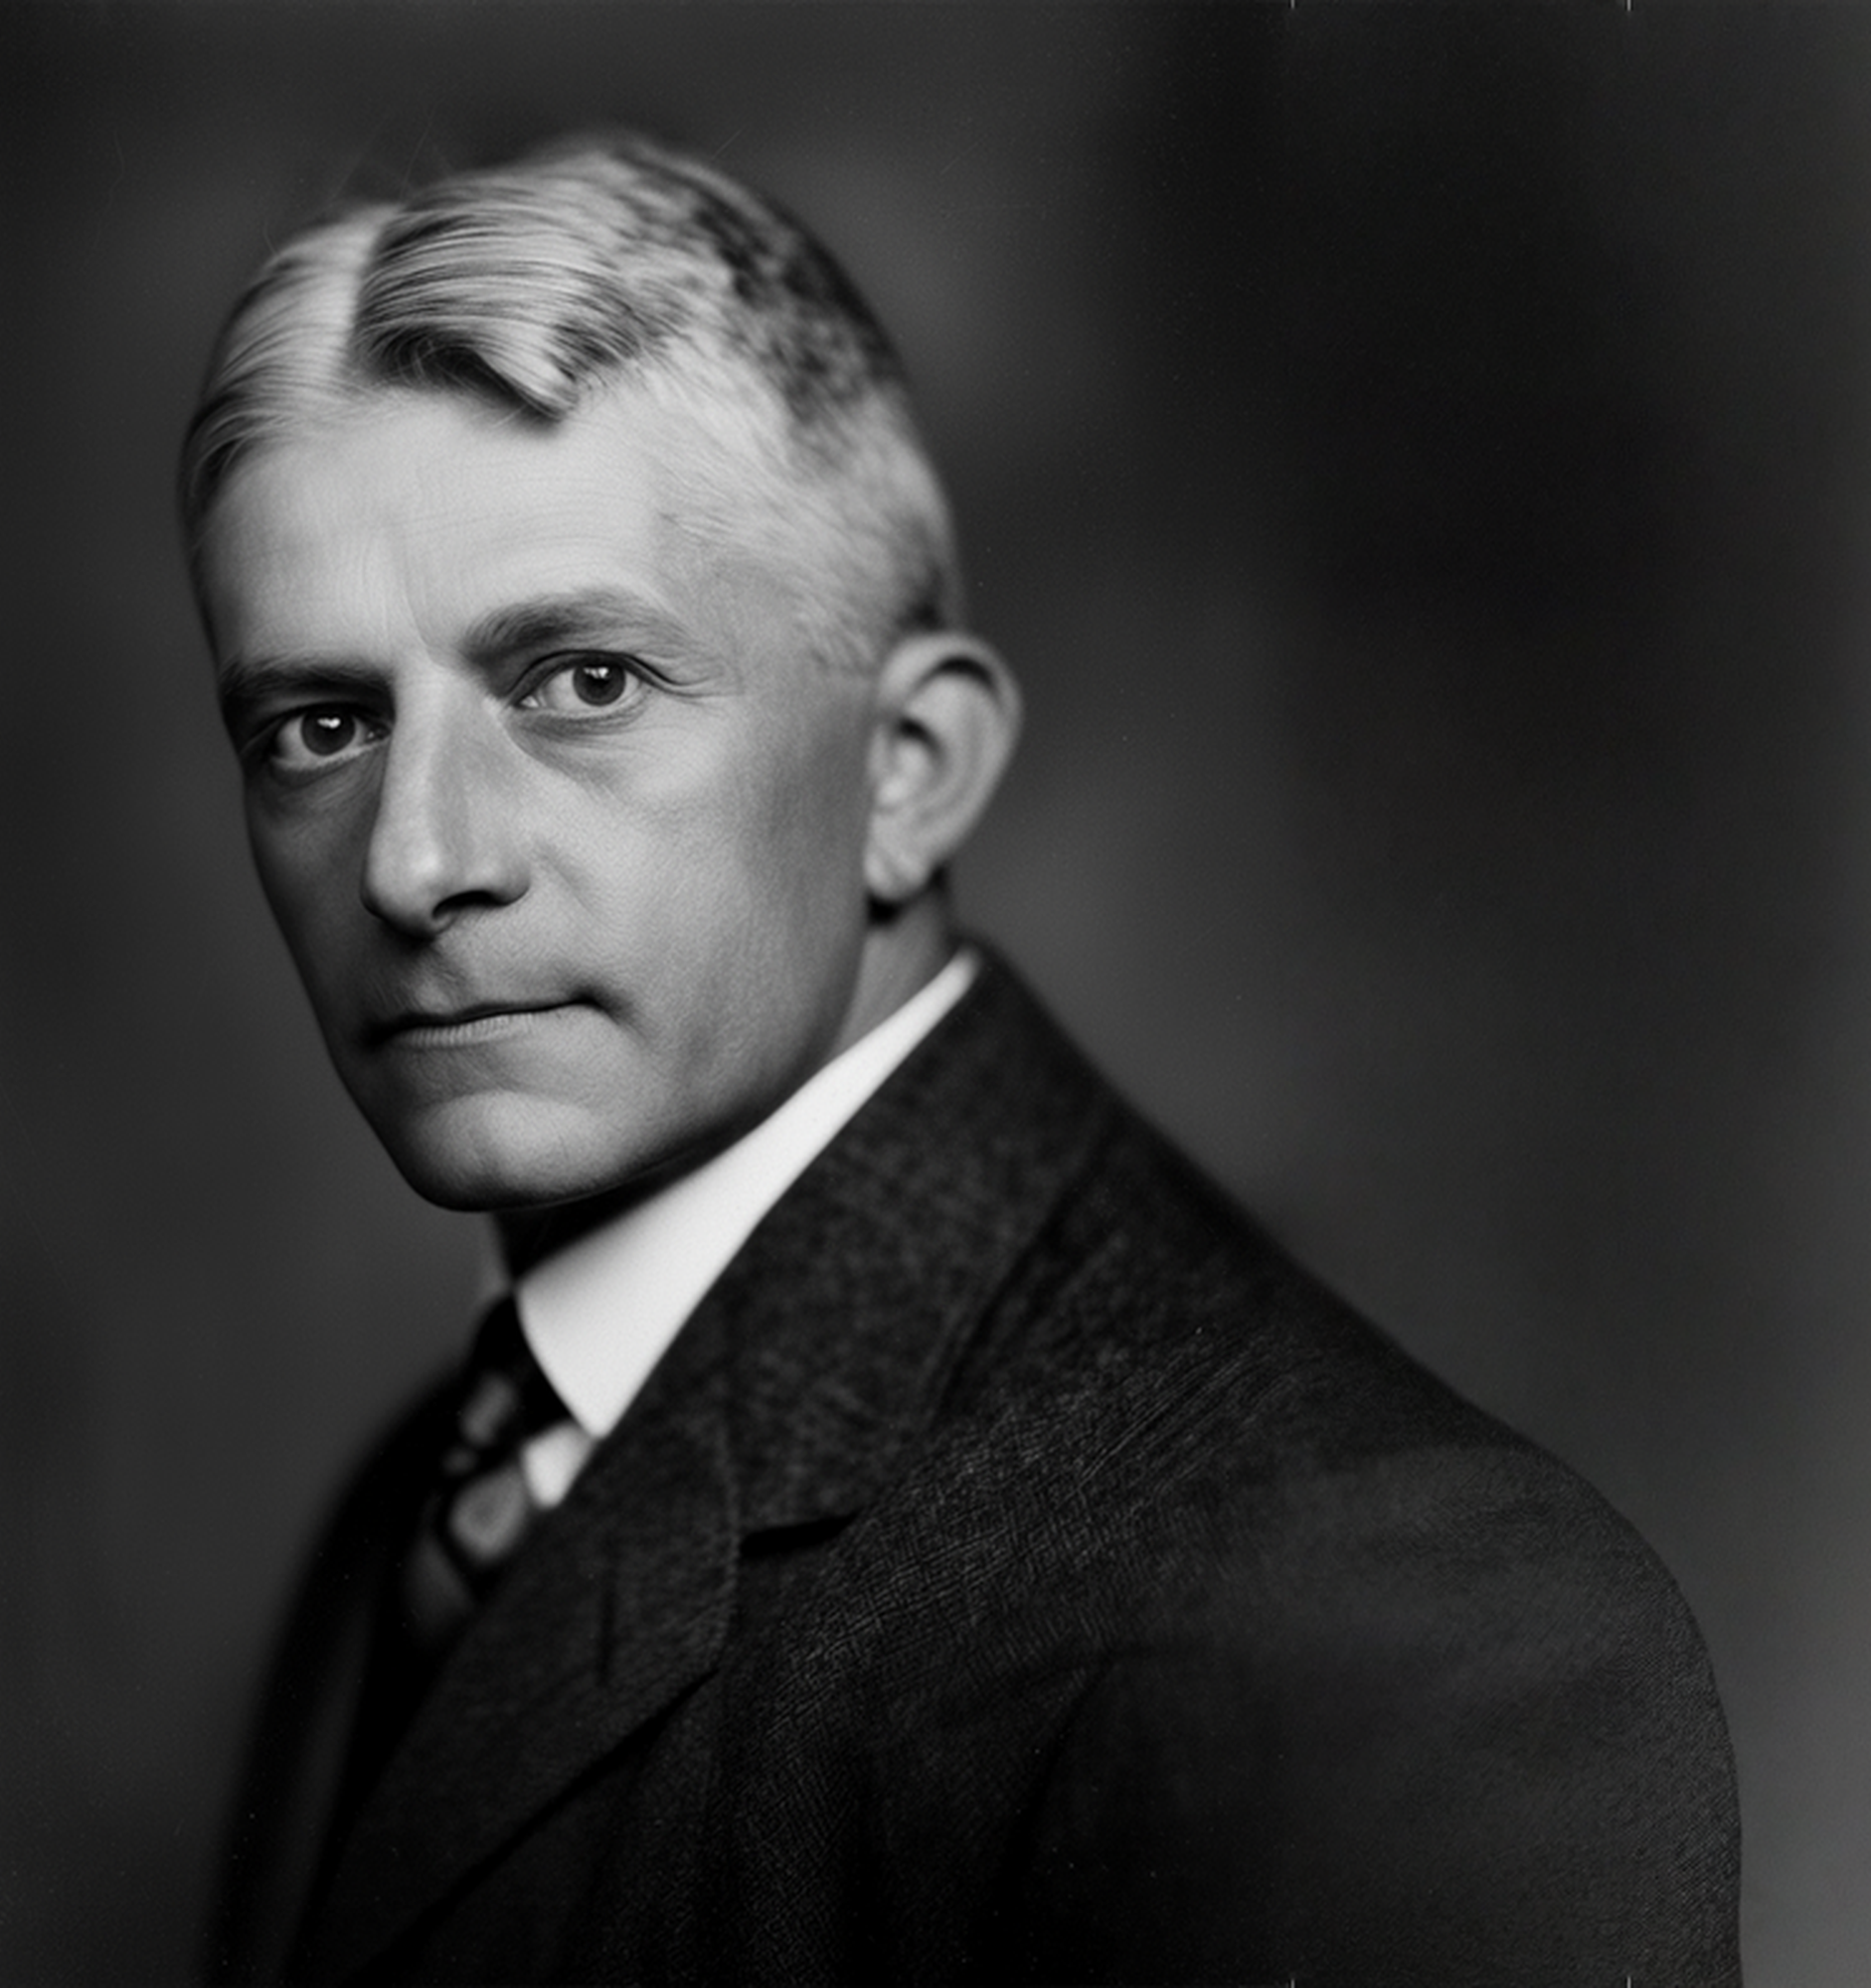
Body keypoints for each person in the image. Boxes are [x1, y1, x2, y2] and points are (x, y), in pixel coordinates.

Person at [180, 131, 1738, 1985]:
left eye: (581, 681)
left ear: (909, 773)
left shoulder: (1372, 1612)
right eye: (319, 725)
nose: (417, 860)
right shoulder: (433, 1494)